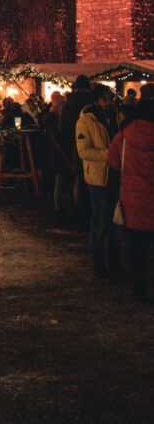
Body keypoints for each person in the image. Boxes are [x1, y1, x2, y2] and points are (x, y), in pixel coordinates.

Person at [108, 82, 154, 302]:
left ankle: (139, 289)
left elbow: (114, 162)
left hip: (134, 198)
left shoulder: (125, 133)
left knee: (138, 247)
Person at [76, 83, 122, 277]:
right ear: (96, 100)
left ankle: (115, 262)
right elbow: (83, 151)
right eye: (105, 99)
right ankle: (98, 261)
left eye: (110, 98)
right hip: (98, 178)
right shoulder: (87, 120)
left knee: (116, 222)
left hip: (116, 176)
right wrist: (108, 154)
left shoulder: (116, 118)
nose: (109, 102)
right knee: (101, 220)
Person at [60, 74, 94, 218]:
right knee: (93, 175)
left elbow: (63, 128)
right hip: (95, 142)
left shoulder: (69, 104)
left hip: (75, 143)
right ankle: (91, 207)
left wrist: (69, 141)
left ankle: (78, 207)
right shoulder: (93, 101)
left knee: (78, 175)